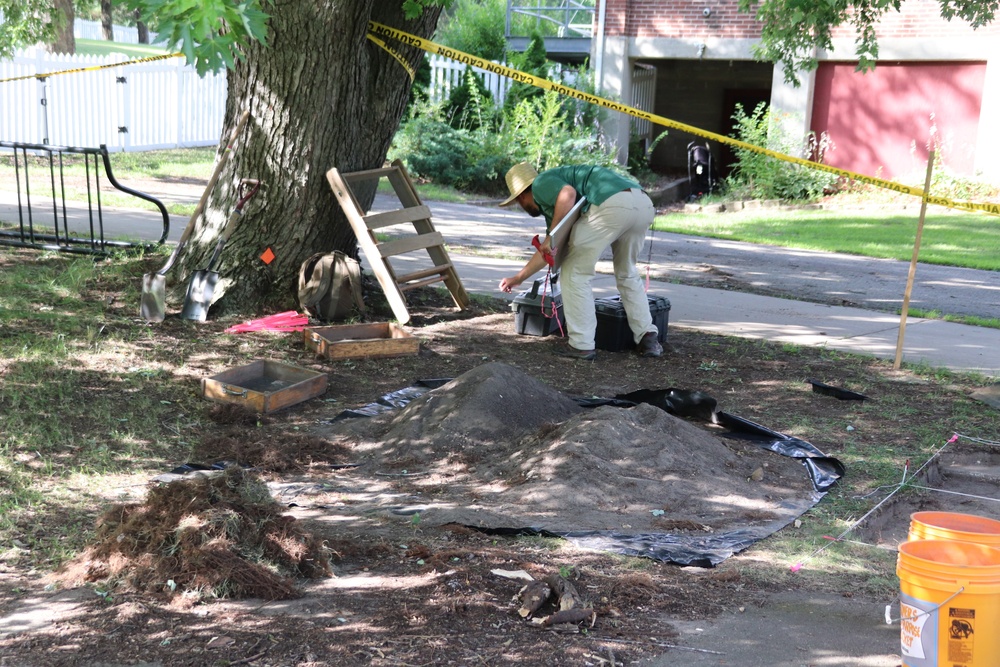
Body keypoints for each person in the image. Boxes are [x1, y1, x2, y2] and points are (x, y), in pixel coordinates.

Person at [498, 162, 663, 360]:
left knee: (574, 273)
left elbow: (567, 194)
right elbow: (549, 250)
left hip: (611, 204)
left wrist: (551, 237)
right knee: (627, 272)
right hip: (642, 203)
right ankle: (648, 337)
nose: (521, 206)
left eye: (518, 201)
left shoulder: (541, 183)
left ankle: (581, 344)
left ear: (522, 195)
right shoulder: (555, 205)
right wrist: (518, 277)